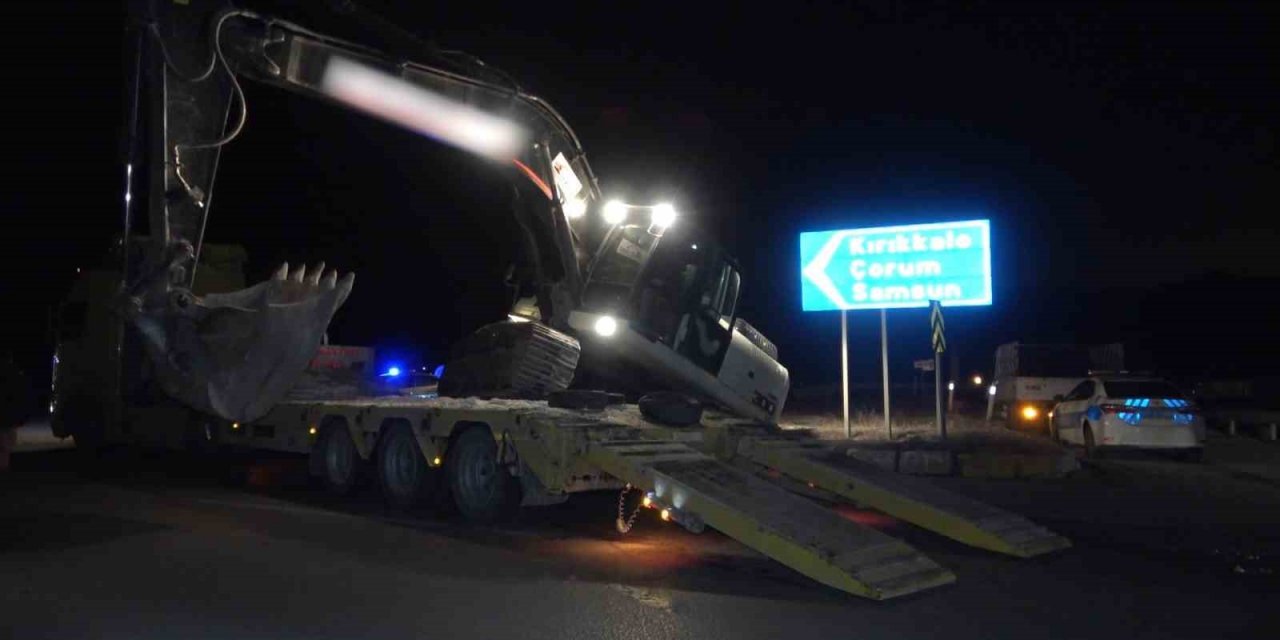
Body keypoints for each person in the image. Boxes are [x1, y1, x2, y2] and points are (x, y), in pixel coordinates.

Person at [0, 352, 32, 471]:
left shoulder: (12, 374)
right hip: (8, 415)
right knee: (5, 443)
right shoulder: (14, 374)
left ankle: (4, 465)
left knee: (5, 443)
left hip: (7, 415)